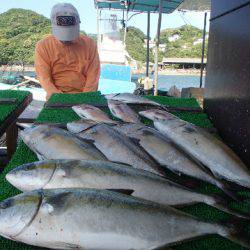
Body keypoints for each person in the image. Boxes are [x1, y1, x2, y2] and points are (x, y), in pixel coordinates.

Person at [35, 3, 100, 100]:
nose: (66, 39)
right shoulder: (43, 46)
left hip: (84, 95)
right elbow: (44, 78)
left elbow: (93, 76)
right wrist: (60, 98)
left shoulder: (90, 44)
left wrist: (85, 98)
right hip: (55, 97)